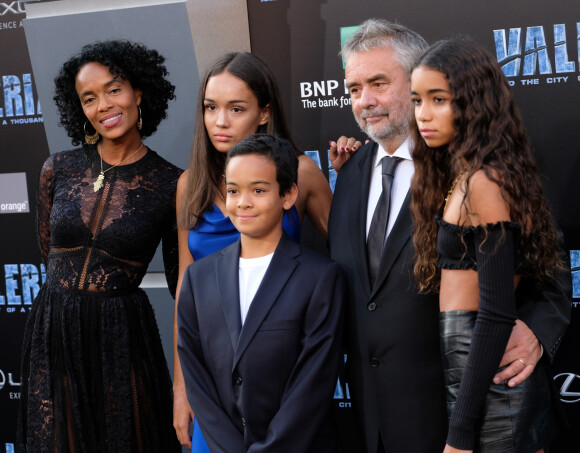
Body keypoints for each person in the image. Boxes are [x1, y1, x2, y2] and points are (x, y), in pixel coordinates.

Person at [327, 19, 570, 453]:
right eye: (353, 89)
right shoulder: (349, 175)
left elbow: (549, 269)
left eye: (379, 83)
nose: (365, 101)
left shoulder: (474, 169)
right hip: (373, 422)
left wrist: (534, 332)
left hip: (466, 416)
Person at [18, 40, 181, 452]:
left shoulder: (171, 183)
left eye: (113, 89)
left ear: (139, 92)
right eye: (89, 98)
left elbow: (184, 288)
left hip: (121, 335)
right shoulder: (58, 168)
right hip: (54, 328)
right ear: (81, 110)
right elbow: (48, 253)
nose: (104, 105)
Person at [409, 37, 569, 452]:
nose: (423, 115)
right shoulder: (467, 176)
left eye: (438, 100)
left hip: (494, 386)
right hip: (474, 380)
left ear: (473, 102)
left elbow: (496, 315)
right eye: (417, 100)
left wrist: (459, 436)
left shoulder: (485, 182)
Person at [172, 52, 335, 450]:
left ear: (263, 113)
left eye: (236, 108)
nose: (220, 121)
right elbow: (184, 285)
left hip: (281, 381)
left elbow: (351, 259)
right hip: (210, 385)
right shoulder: (188, 184)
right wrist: (181, 387)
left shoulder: (303, 173)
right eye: (211, 108)